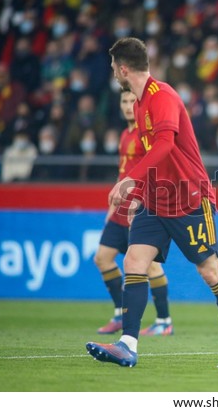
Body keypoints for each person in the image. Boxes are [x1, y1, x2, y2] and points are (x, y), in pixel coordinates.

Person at [85, 37, 218, 368]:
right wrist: (137, 195)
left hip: (190, 197)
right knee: (134, 261)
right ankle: (128, 345)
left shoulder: (162, 97)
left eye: (113, 68)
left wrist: (129, 177)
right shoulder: (142, 102)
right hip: (156, 200)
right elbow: (154, 157)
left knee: (210, 270)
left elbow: (163, 145)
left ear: (123, 68)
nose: (114, 73)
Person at [94, 89, 174, 337]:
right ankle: (120, 312)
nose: (129, 106)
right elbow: (123, 173)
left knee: (148, 266)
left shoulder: (145, 135)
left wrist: (140, 202)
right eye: (124, 101)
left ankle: (163, 320)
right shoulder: (124, 134)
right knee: (102, 258)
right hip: (120, 210)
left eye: (132, 101)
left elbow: (154, 169)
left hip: (140, 208)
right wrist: (112, 206)